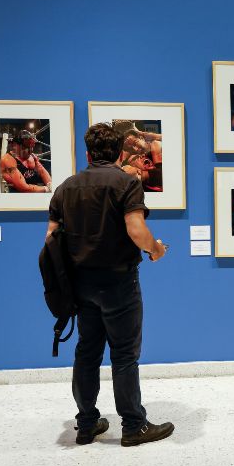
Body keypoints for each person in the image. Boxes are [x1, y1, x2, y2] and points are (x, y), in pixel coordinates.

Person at [45, 122, 174, 447]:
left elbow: (50, 238)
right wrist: (156, 250)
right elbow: (135, 229)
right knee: (124, 355)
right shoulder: (126, 183)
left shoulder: (66, 187)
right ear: (118, 153)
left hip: (80, 285)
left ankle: (87, 424)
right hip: (118, 283)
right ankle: (133, 426)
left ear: (88, 153)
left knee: (87, 352)